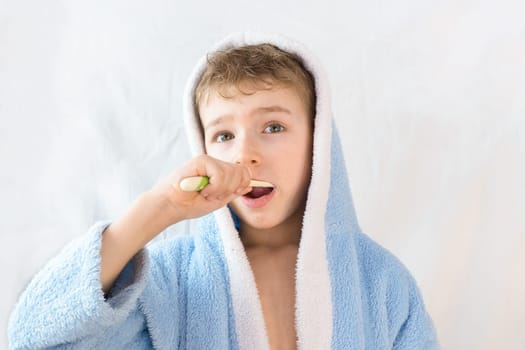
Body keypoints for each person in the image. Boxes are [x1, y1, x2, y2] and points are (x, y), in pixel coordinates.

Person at [8, 32, 440, 349]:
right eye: (223, 135)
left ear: (319, 143)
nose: (245, 155)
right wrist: (157, 208)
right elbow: (36, 337)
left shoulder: (380, 282)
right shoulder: (169, 282)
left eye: (273, 127)